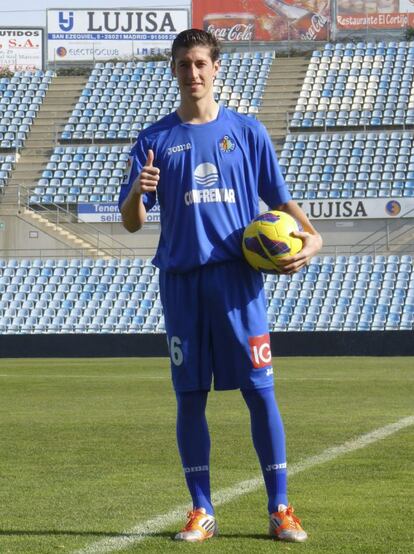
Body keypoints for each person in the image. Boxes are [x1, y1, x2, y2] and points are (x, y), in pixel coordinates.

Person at [119, 28, 322, 543]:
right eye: (184, 64)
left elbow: (277, 198)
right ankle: (202, 509)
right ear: (174, 70)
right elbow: (132, 223)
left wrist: (312, 237)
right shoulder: (153, 141)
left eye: (201, 64)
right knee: (190, 398)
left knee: (260, 393)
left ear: (216, 68)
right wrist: (139, 195)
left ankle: (280, 508)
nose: (193, 73)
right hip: (183, 283)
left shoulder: (248, 132)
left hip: (239, 283)